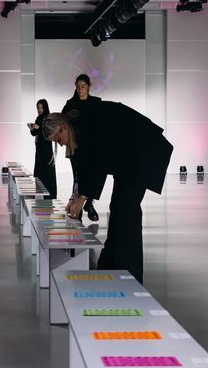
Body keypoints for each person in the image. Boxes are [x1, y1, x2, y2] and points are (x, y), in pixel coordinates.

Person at [43, 98, 172, 282]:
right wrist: (75, 196)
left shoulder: (88, 122)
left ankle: (130, 275)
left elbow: (99, 162)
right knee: (117, 207)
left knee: (127, 210)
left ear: (63, 127)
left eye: (58, 139)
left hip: (144, 152)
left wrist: (82, 199)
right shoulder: (79, 128)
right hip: (129, 158)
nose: (61, 144)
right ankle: (112, 265)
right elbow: (83, 166)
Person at [63, 73, 101, 221]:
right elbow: (63, 123)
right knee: (77, 176)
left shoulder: (96, 102)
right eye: (78, 86)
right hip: (76, 146)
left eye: (83, 86)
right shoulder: (70, 104)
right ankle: (78, 207)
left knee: (92, 174)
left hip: (92, 146)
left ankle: (89, 203)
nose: (80, 89)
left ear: (89, 87)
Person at [27, 98, 57, 200]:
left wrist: (38, 128)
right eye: (38, 107)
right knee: (39, 172)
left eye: (41, 107)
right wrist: (32, 128)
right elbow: (35, 134)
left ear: (45, 107)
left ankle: (49, 194)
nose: (39, 109)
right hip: (39, 150)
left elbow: (49, 132)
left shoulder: (48, 118)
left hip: (46, 150)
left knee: (47, 173)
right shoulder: (39, 118)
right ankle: (40, 192)